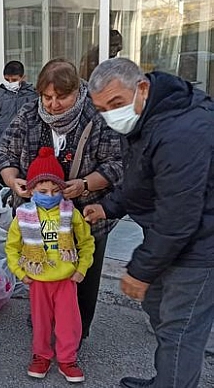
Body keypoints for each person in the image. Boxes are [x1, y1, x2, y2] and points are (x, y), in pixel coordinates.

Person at [85, 57, 214, 388]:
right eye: (102, 109)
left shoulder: (181, 131)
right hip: (172, 237)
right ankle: (167, 379)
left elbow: (178, 215)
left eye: (115, 104)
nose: (111, 115)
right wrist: (108, 207)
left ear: (142, 88)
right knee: (159, 310)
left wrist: (140, 270)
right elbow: (141, 180)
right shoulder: (150, 117)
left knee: (179, 329)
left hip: (199, 245)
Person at [0, 58, 122, 344]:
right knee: (41, 270)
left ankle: (76, 333)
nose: (53, 104)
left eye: (61, 97)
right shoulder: (29, 113)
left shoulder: (97, 114)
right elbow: (5, 151)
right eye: (47, 96)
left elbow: (117, 163)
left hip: (85, 213)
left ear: (77, 90)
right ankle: (43, 321)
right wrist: (12, 179)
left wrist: (85, 184)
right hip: (37, 217)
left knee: (82, 276)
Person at [6, 147, 94, 383]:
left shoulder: (70, 213)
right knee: (41, 322)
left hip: (65, 279)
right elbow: (12, 247)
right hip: (38, 280)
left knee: (69, 323)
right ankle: (41, 356)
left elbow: (86, 242)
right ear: (31, 189)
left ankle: (67, 359)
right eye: (43, 190)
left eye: (56, 190)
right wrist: (19, 272)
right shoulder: (22, 216)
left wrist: (81, 269)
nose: (50, 195)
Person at [0, 60, 38, 158]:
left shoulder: (32, 95)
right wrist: (0, 142)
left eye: (14, 80)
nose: (10, 83)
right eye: (7, 79)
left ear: (23, 77)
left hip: (27, 147)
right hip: (3, 147)